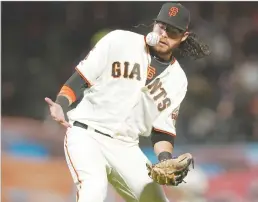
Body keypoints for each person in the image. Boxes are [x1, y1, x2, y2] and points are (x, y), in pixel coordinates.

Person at [45, 2, 210, 202]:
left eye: (173, 31)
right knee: (93, 192)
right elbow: (81, 78)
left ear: (184, 36)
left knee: (157, 200)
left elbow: (162, 131)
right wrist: (61, 104)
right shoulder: (119, 41)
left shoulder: (178, 79)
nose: (165, 34)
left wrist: (165, 161)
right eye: (162, 26)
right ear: (154, 23)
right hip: (87, 133)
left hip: (126, 147)